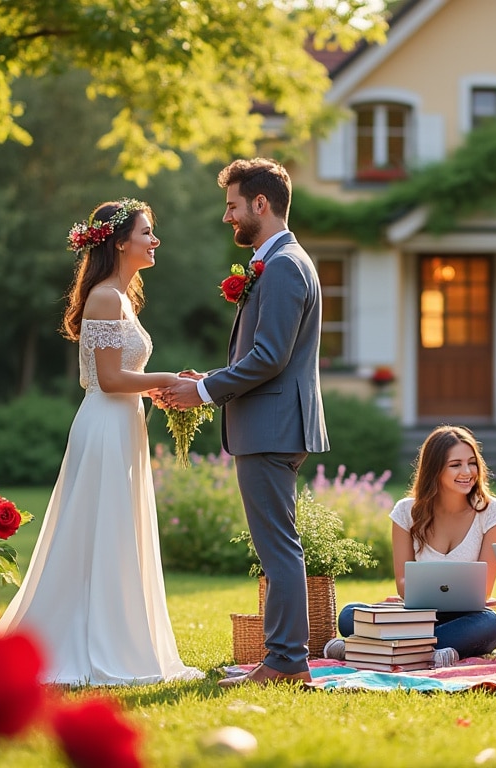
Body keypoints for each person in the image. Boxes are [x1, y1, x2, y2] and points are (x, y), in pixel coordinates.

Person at [0, 199, 203, 685]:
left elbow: (120, 377)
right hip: (105, 425)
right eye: (147, 232)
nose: (155, 241)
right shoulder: (107, 297)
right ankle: (93, 644)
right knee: (102, 529)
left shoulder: (124, 296)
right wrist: (168, 379)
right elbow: (109, 379)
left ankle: (117, 634)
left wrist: (155, 390)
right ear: (120, 241)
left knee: (115, 530)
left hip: (123, 423)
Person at [156, 158, 329, 687]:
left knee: (277, 545)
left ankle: (285, 661)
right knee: (278, 542)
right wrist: (205, 378)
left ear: (261, 204)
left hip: (272, 425)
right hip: (274, 421)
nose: (227, 216)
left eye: (232, 205)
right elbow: (267, 355)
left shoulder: (281, 266)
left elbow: (270, 356)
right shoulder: (281, 262)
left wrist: (203, 391)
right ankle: (285, 658)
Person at [324, 426, 496, 666]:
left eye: (472, 463)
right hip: (415, 616)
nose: (467, 472)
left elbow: (482, 590)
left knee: (490, 625)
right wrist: (409, 598)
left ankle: (370, 648)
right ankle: (430, 651)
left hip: (464, 617)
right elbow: (403, 583)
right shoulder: (405, 511)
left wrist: (418, 593)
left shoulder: (493, 513)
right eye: (456, 465)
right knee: (350, 614)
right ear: (435, 469)